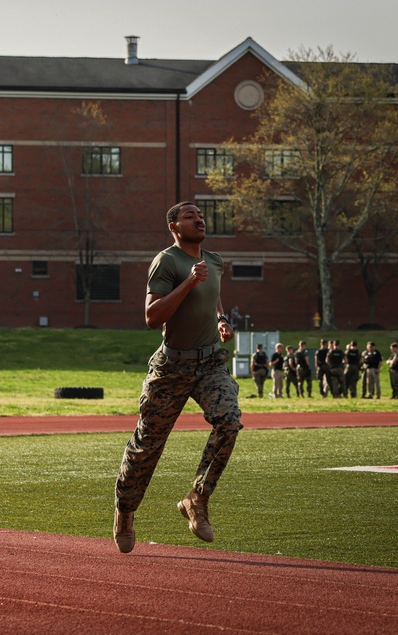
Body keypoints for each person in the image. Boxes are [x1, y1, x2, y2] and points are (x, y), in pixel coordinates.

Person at [114, 201, 243, 552]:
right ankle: (125, 512)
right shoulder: (167, 261)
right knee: (147, 446)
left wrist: (220, 319)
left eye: (200, 215)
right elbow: (152, 317)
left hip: (210, 363)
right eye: (190, 216)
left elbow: (212, 295)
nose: (199, 219)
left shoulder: (214, 261)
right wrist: (187, 283)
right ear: (173, 226)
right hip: (171, 367)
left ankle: (197, 499)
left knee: (229, 422)